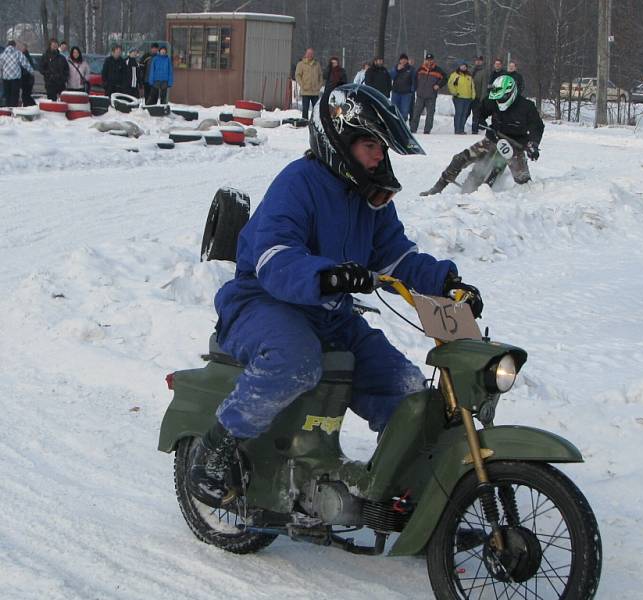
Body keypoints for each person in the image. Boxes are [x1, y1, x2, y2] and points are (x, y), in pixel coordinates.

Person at [188, 84, 483, 506]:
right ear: (339, 142)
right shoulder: (298, 183)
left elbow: (395, 258)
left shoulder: (370, 197)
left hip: (331, 315)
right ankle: (215, 450)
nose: (380, 155)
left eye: (382, 147)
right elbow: (274, 258)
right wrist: (330, 276)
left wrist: (448, 284)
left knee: (408, 392)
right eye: (370, 145)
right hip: (264, 304)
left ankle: (411, 495)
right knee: (295, 361)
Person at [421, 74, 544, 195]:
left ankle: (525, 197)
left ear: (510, 93)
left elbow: (537, 127)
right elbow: (480, 111)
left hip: (515, 145)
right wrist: (479, 120)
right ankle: (437, 188)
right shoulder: (492, 100)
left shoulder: (527, 106)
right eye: (497, 98)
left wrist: (533, 144)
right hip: (493, 139)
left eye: (501, 98)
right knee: (460, 158)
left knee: (523, 180)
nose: (498, 101)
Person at [410, 53, 446, 135]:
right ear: (425, 60)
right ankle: (413, 129)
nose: (429, 62)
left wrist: (439, 85)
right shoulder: (420, 69)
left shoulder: (438, 70)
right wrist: (416, 88)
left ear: (433, 60)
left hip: (431, 96)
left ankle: (427, 130)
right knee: (416, 113)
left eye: (431, 60)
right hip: (420, 95)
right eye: (428, 60)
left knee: (430, 114)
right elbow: (415, 79)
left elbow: (445, 78)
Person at [0, 40, 34, 107]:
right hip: (15, 79)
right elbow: (25, 64)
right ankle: (14, 109)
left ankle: (8, 109)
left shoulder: (2, 55)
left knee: (7, 95)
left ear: (7, 46)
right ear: (14, 45)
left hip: (6, 79)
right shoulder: (18, 53)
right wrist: (31, 71)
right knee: (15, 95)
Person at [447, 61, 475, 134]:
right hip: (458, 97)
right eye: (462, 66)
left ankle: (461, 129)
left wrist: (473, 95)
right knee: (459, 113)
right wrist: (454, 92)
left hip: (468, 98)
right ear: (459, 66)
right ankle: (457, 129)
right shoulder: (455, 75)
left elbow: (472, 86)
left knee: (464, 114)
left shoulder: (469, 76)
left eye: (465, 66)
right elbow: (450, 84)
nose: (463, 67)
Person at [295, 47, 323, 119]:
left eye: (311, 54)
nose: (310, 55)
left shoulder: (317, 64)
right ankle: (304, 122)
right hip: (305, 91)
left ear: (313, 55)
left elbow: (320, 76)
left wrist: (319, 86)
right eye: (308, 53)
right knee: (305, 109)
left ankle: (316, 122)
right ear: (306, 54)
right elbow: (297, 75)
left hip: (315, 92)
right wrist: (302, 84)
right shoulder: (301, 64)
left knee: (316, 109)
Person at [390, 53, 415, 121]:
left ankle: (402, 124)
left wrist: (412, 90)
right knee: (394, 110)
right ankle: (395, 124)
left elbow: (414, 80)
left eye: (405, 59)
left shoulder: (411, 69)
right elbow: (391, 76)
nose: (403, 61)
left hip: (406, 93)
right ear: (399, 60)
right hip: (396, 92)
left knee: (404, 111)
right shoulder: (395, 67)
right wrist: (397, 70)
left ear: (407, 60)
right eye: (402, 59)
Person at [470, 56, 487, 134]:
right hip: (468, 96)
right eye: (477, 60)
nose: (478, 62)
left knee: (476, 115)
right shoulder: (471, 70)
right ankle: (460, 128)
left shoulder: (483, 72)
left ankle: (474, 130)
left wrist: (482, 98)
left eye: (480, 61)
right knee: (465, 114)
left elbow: (484, 86)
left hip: (477, 96)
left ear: (482, 62)